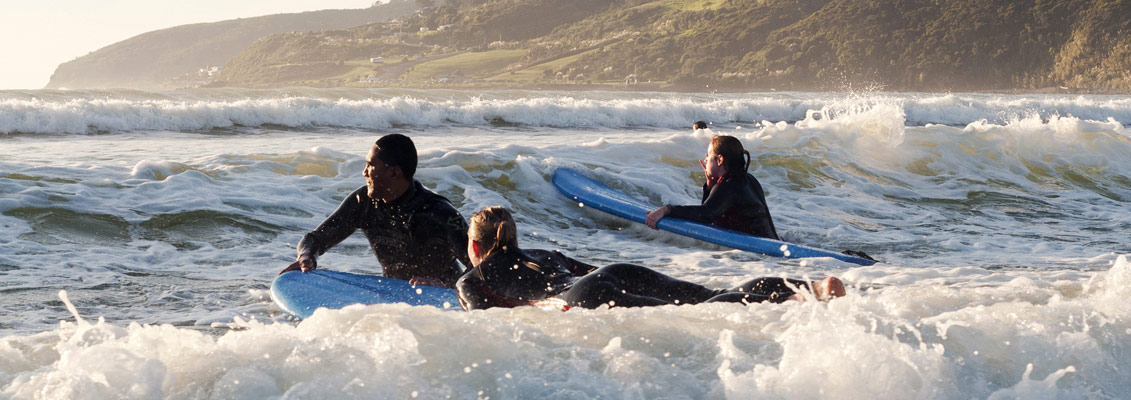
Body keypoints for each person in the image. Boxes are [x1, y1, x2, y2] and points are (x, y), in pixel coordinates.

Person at [456, 206, 844, 311]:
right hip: (613, 272)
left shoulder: (471, 280)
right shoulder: (543, 254)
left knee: (698, 313)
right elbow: (590, 272)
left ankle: (797, 300)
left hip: (579, 299)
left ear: (475, 247)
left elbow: (486, 321)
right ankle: (808, 288)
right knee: (709, 295)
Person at [280, 134, 471, 287]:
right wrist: (306, 256)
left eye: (370, 165)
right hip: (394, 294)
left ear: (394, 172)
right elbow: (316, 239)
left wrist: (442, 285)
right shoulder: (363, 203)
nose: (364, 173)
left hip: (444, 302)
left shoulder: (439, 213)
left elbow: (480, 266)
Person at [645, 134, 780, 239]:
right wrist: (710, 186)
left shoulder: (728, 186)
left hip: (761, 252)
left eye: (709, 155)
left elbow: (706, 215)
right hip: (773, 241)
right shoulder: (749, 179)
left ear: (720, 160)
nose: (705, 159)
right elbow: (710, 213)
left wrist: (666, 210)